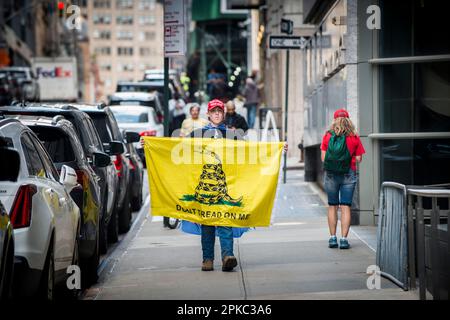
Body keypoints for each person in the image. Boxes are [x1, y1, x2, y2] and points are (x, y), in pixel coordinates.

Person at [320, 109, 365, 250]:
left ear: (334, 121)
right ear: (348, 120)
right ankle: (344, 240)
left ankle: (332, 238)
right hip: (348, 173)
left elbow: (323, 158)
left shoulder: (327, 136)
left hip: (331, 174)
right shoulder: (354, 137)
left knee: (332, 206)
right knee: (345, 207)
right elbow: (359, 158)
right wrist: (348, 158)